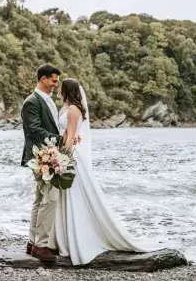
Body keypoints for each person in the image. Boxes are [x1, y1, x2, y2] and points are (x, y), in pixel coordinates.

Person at [49, 78, 158, 266]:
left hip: (73, 156)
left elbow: (72, 136)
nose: (58, 89)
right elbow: (66, 135)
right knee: (67, 196)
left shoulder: (74, 111)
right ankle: (65, 238)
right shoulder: (67, 109)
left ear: (67, 90)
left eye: (61, 87)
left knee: (75, 196)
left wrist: (62, 158)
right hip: (67, 151)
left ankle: (79, 238)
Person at [20, 64, 63, 263]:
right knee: (50, 199)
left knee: (40, 198)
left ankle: (32, 242)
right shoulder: (32, 101)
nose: (56, 84)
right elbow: (35, 131)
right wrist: (60, 140)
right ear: (43, 79)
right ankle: (41, 245)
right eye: (53, 80)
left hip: (46, 154)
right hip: (41, 156)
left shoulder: (46, 100)